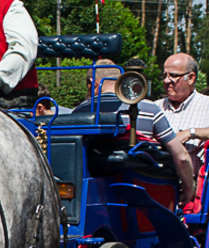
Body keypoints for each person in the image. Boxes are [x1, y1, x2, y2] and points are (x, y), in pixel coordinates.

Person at [71, 60, 196, 205]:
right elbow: (181, 156)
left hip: (93, 195)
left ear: (92, 83)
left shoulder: (78, 113)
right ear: (123, 80)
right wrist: (188, 190)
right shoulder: (149, 109)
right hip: (143, 191)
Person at [154, 53, 209, 150]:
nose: (166, 81)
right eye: (164, 75)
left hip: (191, 165)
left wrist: (191, 133)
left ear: (190, 78)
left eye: (173, 75)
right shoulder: (155, 107)